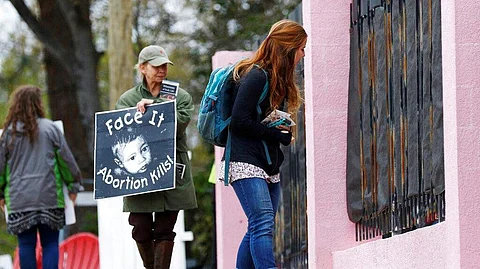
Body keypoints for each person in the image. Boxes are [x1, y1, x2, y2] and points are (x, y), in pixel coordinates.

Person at [221, 19, 307, 268]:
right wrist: (275, 135)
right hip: (244, 160)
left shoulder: (275, 78)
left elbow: (257, 119)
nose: (303, 54)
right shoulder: (256, 75)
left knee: (258, 225)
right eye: (301, 48)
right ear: (288, 49)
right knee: (262, 221)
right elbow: (239, 121)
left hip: (267, 163)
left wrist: (279, 131)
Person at [115, 45, 197, 269]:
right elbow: (117, 134)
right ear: (142, 68)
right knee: (140, 229)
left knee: (165, 230)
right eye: (156, 66)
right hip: (138, 176)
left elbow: (179, 126)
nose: (162, 70)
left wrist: (156, 106)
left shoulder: (181, 96)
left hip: (171, 172)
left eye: (165, 66)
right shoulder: (127, 99)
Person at [0, 85, 83, 269]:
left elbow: (0, 168)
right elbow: (66, 161)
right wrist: (73, 186)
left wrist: (0, 193)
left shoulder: (7, 134)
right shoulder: (51, 129)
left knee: (26, 245)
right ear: (38, 104)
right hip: (50, 198)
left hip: (19, 199)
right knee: (51, 244)